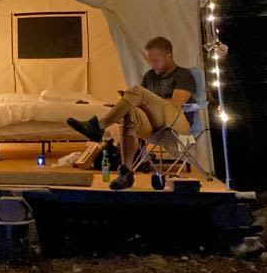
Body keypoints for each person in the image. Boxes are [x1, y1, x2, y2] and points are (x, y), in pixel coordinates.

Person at [66, 36, 195, 190]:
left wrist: (144, 99)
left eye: (156, 60)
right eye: (150, 60)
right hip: (155, 128)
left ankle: (99, 126)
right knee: (131, 112)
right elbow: (142, 104)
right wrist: (128, 103)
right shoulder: (149, 76)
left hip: (178, 129)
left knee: (136, 91)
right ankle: (126, 173)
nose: (152, 64)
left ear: (169, 56)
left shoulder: (183, 75)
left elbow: (176, 104)